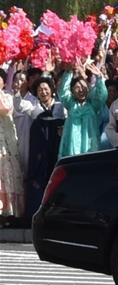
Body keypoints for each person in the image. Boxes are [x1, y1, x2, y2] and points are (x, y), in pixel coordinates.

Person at [24, 77, 65, 220]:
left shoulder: (60, 107)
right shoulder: (34, 109)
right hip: (39, 150)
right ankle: (36, 215)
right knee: (38, 179)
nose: (43, 92)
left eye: (46, 89)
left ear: (52, 90)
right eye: (40, 90)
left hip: (56, 147)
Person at [58, 61, 109, 158]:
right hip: (72, 147)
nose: (81, 90)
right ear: (72, 91)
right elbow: (63, 92)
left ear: (88, 89)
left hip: (90, 146)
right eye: (77, 87)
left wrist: (99, 78)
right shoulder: (70, 104)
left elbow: (102, 95)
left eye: (83, 87)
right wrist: (68, 73)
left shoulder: (93, 105)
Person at [0, 86, 25, 224]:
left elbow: (5, 109)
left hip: (6, 146)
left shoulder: (7, 97)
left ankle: (7, 214)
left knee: (7, 176)